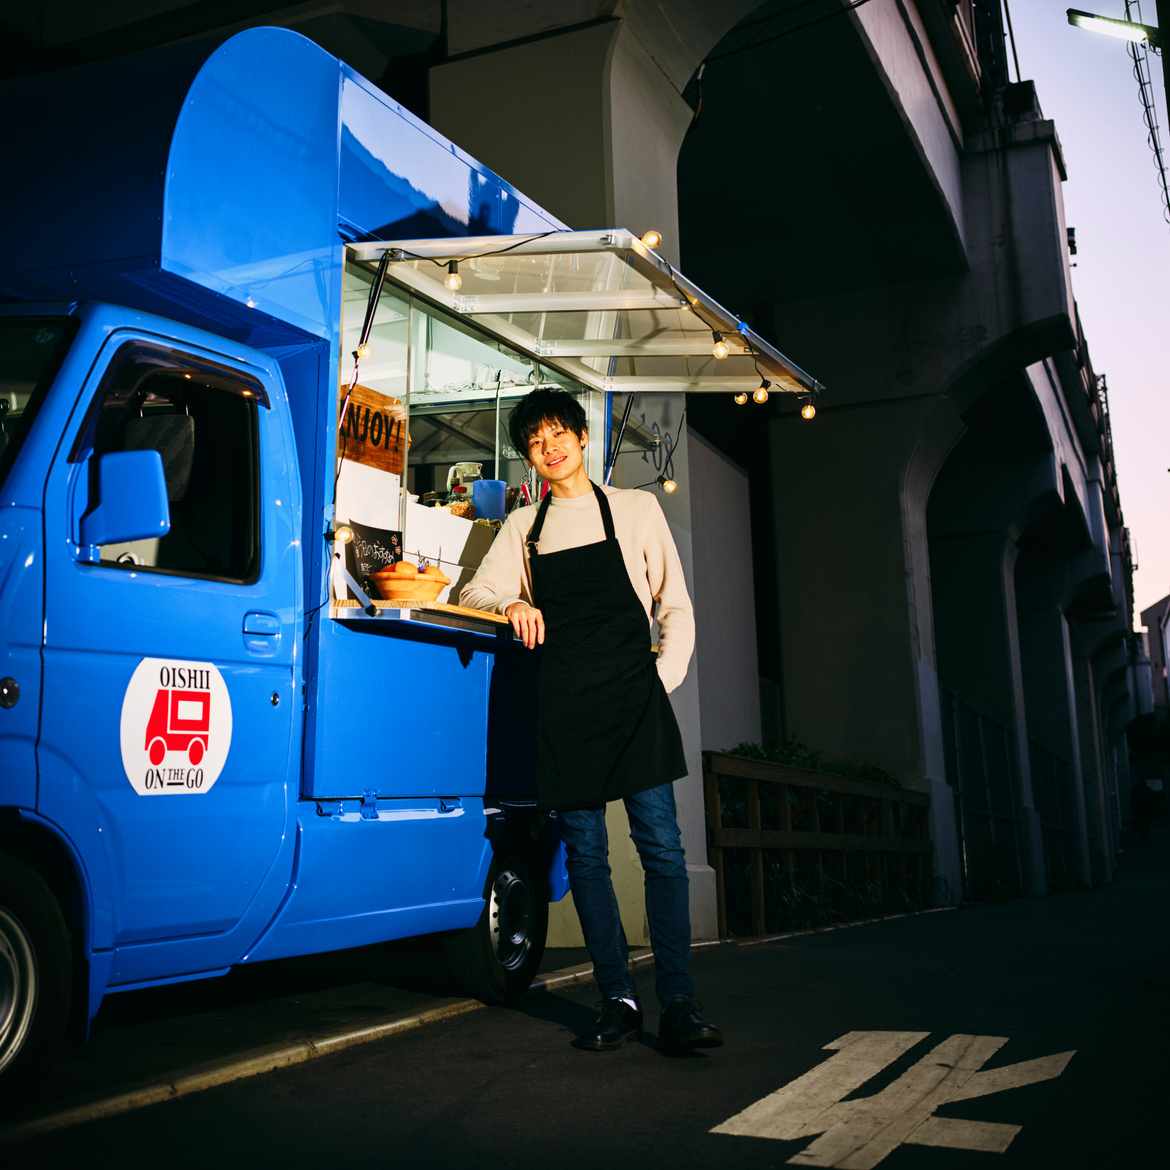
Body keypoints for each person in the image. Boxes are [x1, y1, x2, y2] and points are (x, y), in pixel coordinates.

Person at [461, 387, 722, 1055]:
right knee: (587, 856)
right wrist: (512, 604)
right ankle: (619, 1000)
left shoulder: (635, 509)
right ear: (529, 457)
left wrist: (660, 683)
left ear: (580, 436)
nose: (548, 449)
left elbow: (677, 607)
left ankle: (681, 1003)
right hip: (565, 709)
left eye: (558, 435)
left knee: (662, 849)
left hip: (635, 701)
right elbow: (475, 593)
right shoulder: (525, 527)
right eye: (535, 443)